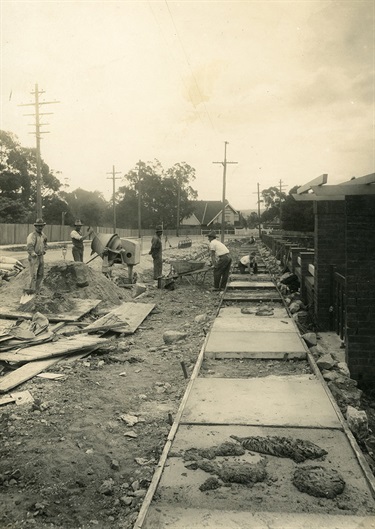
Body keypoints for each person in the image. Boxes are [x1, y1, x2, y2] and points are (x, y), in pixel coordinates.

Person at [26, 218, 48, 293]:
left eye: (41, 226)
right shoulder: (32, 235)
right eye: (38, 226)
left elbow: (45, 243)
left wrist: (44, 249)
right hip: (33, 257)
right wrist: (32, 253)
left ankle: (37, 291)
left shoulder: (43, 236)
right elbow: (29, 246)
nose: (40, 227)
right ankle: (31, 290)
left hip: (41, 256)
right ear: (35, 226)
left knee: (40, 274)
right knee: (33, 275)